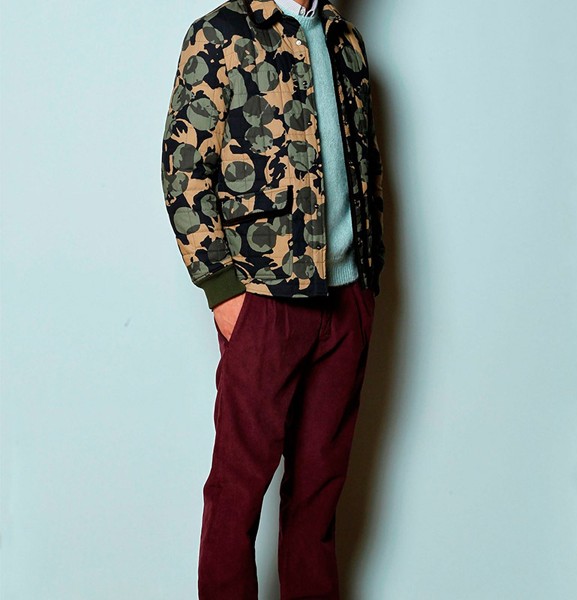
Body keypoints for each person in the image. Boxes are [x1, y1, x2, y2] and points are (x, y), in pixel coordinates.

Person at [161, 0, 385, 596]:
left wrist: (369, 281)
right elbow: (183, 171)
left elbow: (366, 165)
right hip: (265, 300)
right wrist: (223, 291)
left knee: (319, 493)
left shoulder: (345, 41)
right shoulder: (220, 34)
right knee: (237, 490)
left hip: (346, 299)